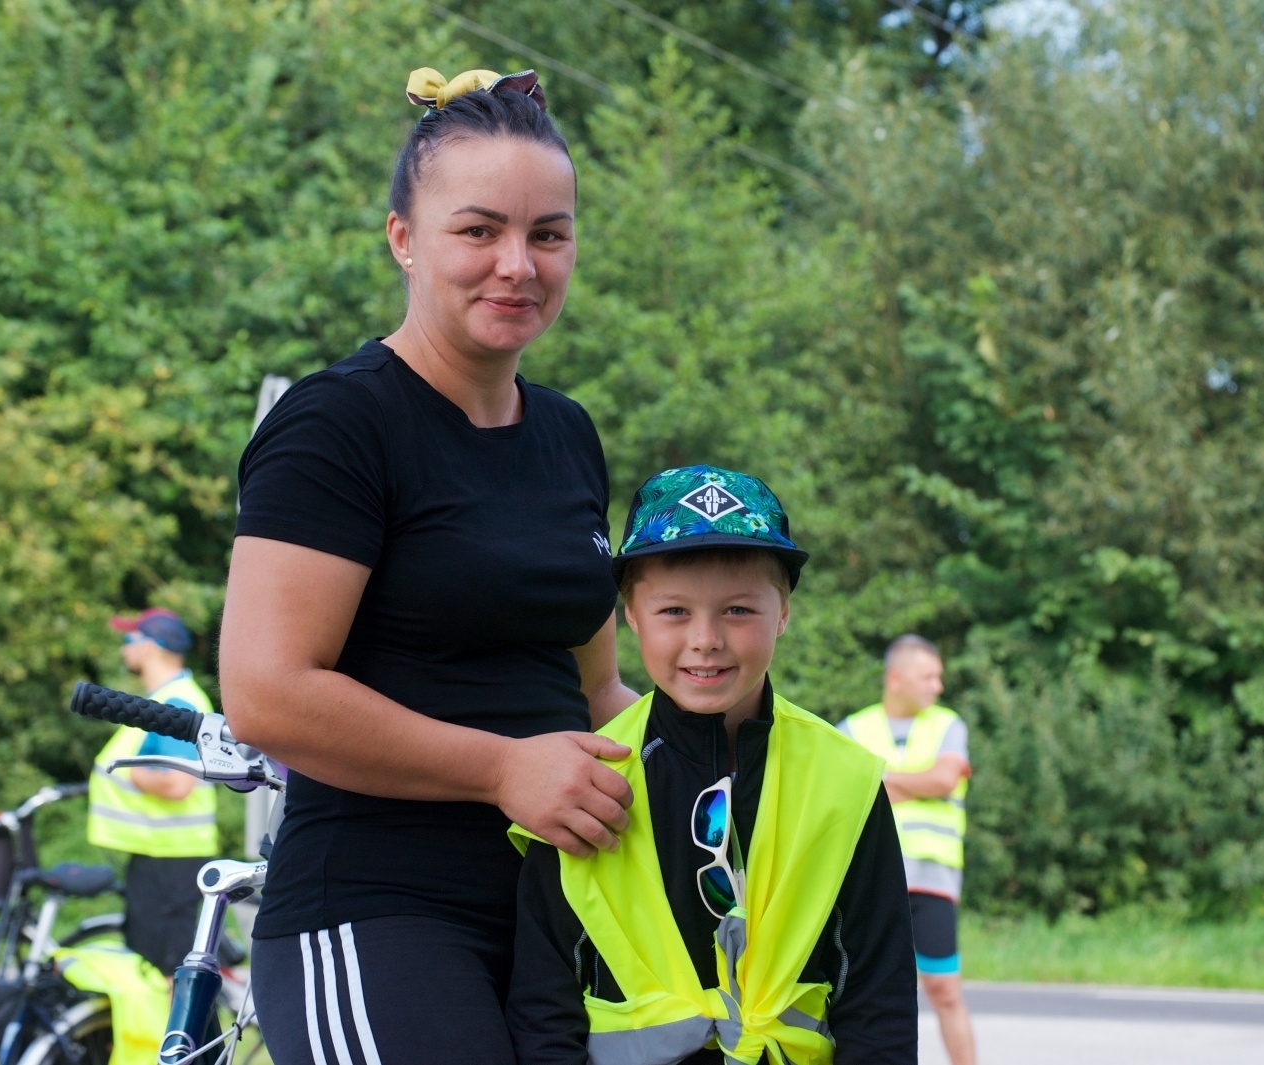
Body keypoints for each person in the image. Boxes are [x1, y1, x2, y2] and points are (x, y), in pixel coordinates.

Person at [218, 65, 640, 1064]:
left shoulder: (570, 437)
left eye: (548, 235)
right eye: (478, 230)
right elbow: (266, 695)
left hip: (560, 920)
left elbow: (596, 693)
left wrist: (755, 774)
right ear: (404, 239)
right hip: (372, 918)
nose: (517, 265)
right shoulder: (336, 425)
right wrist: (502, 767)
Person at [508, 465, 918, 1065]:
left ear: (783, 613)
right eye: (674, 611)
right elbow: (544, 997)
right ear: (629, 615)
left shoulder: (842, 779)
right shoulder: (587, 773)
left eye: (738, 611)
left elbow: (878, 993)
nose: (706, 639)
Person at [841, 635, 977, 1065]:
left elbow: (942, 781)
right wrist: (910, 782)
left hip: (932, 880)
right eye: (929, 676)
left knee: (945, 991)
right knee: (864, 992)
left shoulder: (948, 725)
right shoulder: (853, 728)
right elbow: (844, 796)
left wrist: (881, 782)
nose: (938, 686)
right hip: (869, 880)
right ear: (896, 679)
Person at [87, 608, 218, 978]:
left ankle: (176, 1038)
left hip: (170, 861)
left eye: (129, 640)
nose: (123, 649)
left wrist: (132, 776)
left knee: (166, 972)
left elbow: (177, 785)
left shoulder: (176, 703)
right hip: (160, 856)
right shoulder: (169, 698)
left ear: (148, 648)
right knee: (162, 967)